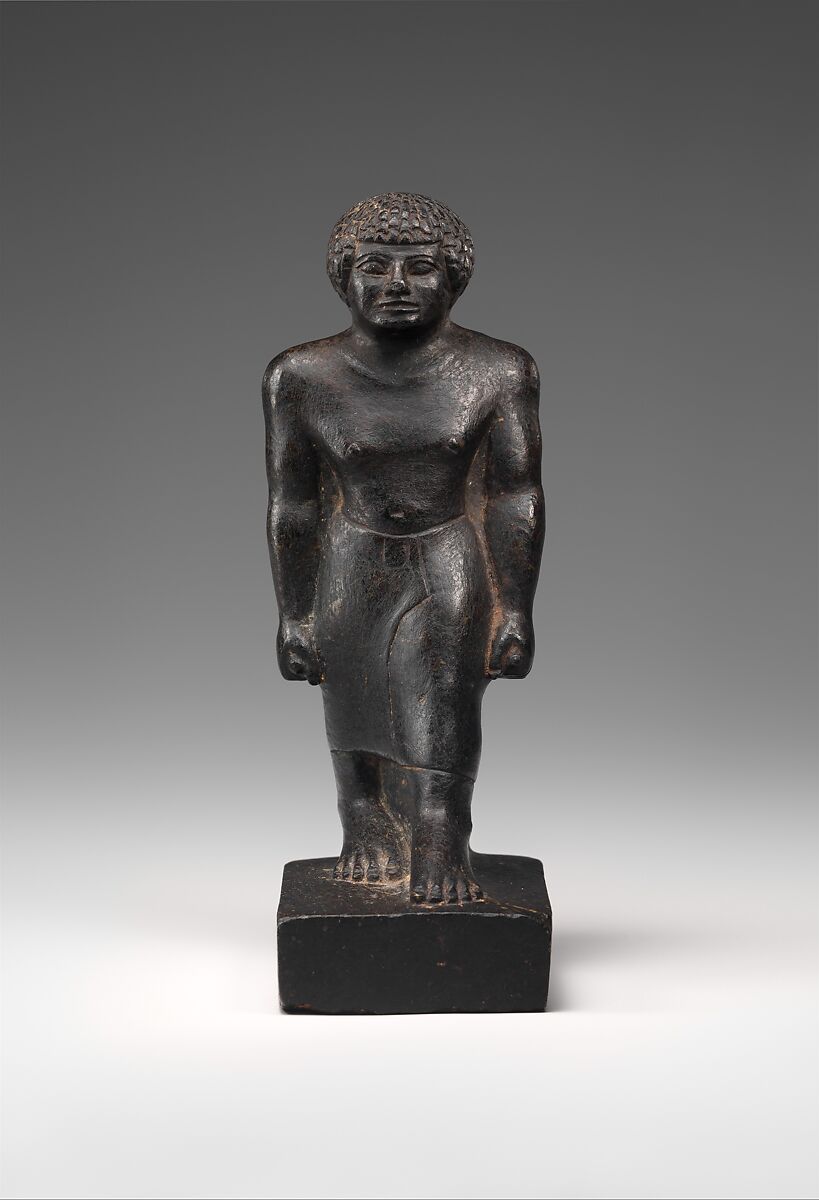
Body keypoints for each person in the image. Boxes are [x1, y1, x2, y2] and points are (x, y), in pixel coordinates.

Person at [264, 193, 544, 904]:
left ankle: (441, 828)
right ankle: (363, 822)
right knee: (349, 694)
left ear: (453, 279)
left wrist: (514, 609)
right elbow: (294, 503)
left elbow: (513, 495)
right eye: (374, 266)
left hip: (446, 552)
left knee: (445, 696)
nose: (395, 285)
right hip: (350, 554)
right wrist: (294, 615)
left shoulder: (499, 370)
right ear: (344, 277)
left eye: (420, 267)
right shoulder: (301, 376)